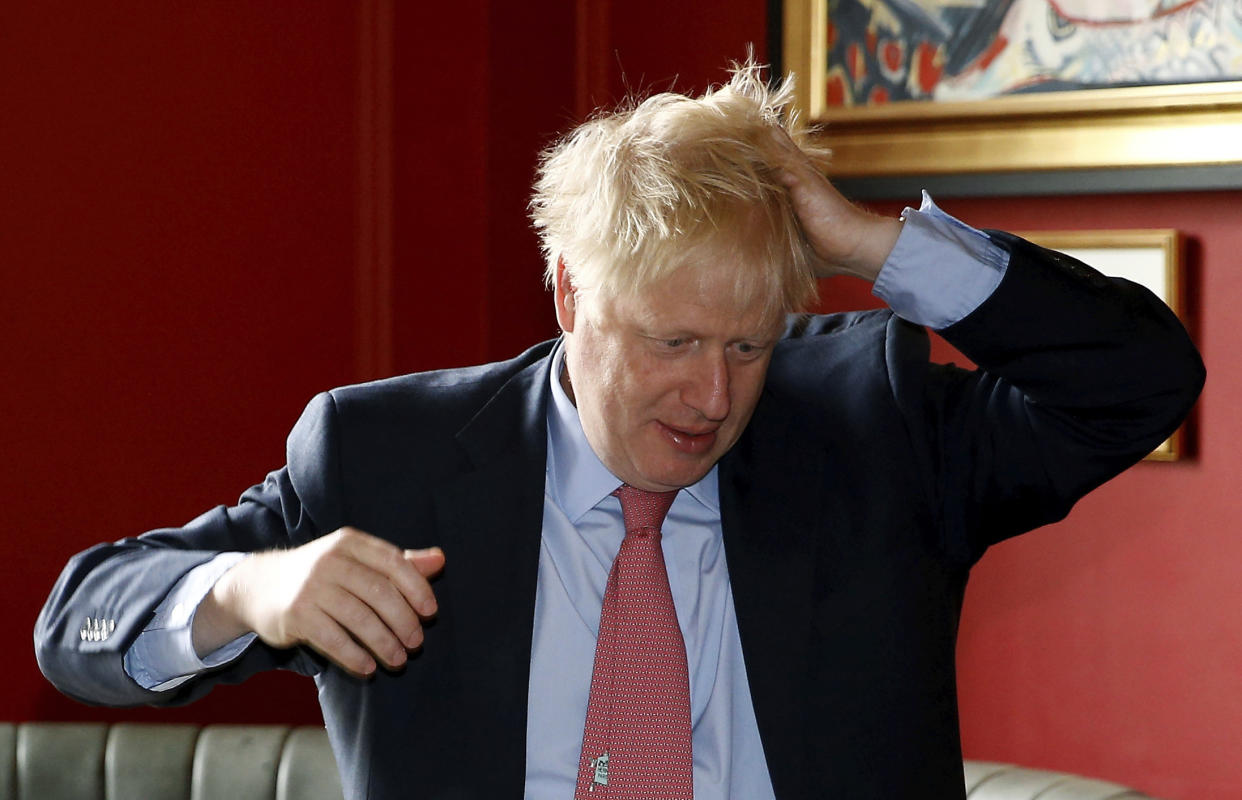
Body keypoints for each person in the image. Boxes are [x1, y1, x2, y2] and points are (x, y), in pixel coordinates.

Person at [35, 61, 1203, 799]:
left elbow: (1139, 379)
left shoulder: (870, 433)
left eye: (748, 346)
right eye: (671, 342)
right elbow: (76, 619)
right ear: (566, 297)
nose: (711, 397)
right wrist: (250, 586)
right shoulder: (383, 457)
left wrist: (869, 243)